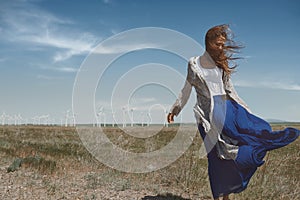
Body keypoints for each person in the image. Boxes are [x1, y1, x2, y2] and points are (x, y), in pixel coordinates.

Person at [167, 24, 299, 200]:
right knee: (215, 158)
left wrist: (246, 111)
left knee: (249, 141)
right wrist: (175, 109)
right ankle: (220, 196)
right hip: (207, 118)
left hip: (227, 111)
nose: (221, 48)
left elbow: (230, 90)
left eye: (223, 45)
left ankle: (228, 194)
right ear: (208, 43)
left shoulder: (222, 63)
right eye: (217, 44)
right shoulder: (194, 64)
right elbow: (187, 88)